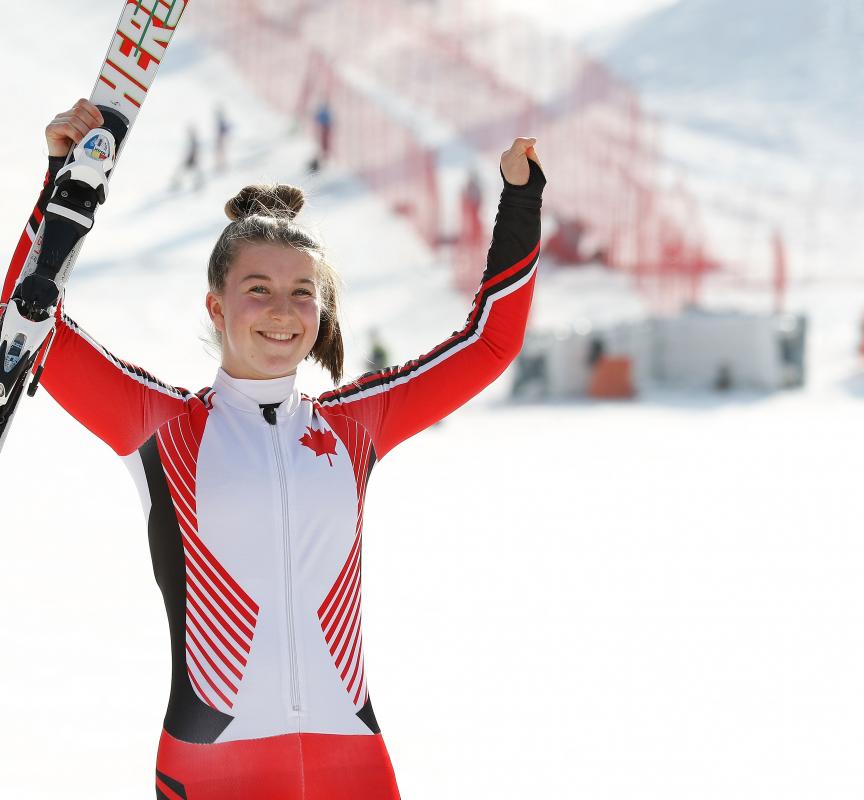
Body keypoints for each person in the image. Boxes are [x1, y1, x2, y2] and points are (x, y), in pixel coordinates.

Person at [31, 99, 544, 798]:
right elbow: (29, 324)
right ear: (216, 306)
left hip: (353, 767)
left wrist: (520, 198)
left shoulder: (354, 427)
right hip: (214, 766)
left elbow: (492, 342)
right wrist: (63, 184)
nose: (282, 310)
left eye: (302, 292)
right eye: (258, 289)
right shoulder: (161, 428)